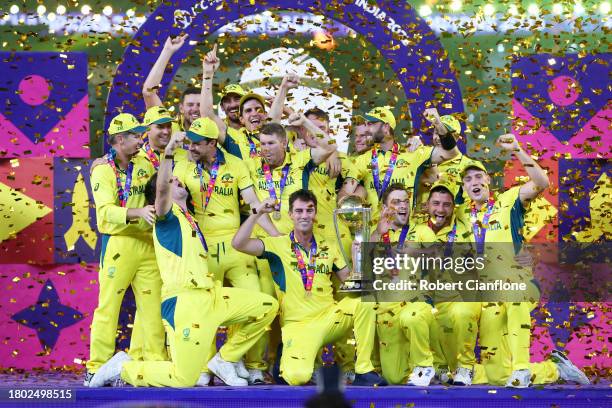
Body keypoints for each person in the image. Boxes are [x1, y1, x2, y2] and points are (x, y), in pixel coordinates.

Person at [88, 131, 279, 388]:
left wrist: (257, 213)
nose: (181, 182)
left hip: (210, 296)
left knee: (267, 306)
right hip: (185, 303)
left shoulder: (191, 217)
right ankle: (124, 368)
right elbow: (163, 186)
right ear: (160, 193)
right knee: (184, 379)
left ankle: (225, 359)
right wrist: (168, 154)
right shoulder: (165, 216)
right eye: (174, 181)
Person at [457, 134, 589, 387]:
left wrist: (517, 149)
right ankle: (555, 369)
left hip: (519, 282)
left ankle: (521, 368)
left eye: (478, 176)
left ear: (488, 181)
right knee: (497, 375)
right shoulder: (462, 214)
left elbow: (541, 182)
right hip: (488, 295)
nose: (473, 182)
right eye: (467, 179)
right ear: (463, 188)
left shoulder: (509, 199)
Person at [232, 189, 386, 386]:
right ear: (290, 215)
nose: (304, 215)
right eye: (299, 211)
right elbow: (238, 243)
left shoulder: (329, 245)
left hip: (329, 318)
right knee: (297, 377)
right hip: (298, 325)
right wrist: (258, 212)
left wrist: (360, 259)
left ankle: (363, 369)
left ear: (315, 213)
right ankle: (287, 354)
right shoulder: (276, 245)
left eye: (309, 210)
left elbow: (349, 281)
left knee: (364, 302)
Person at [173, 117, 280, 384]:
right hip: (202, 247)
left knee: (257, 301)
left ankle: (246, 362)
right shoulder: (183, 165)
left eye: (197, 143)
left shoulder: (235, 164)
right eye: (190, 142)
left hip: (235, 244)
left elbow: (254, 202)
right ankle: (203, 367)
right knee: (203, 308)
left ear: (211, 143)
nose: (192, 147)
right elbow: (171, 202)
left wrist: (276, 235)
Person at [85, 113, 166, 385]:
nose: (140, 139)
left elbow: (165, 177)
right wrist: (137, 211)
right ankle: (96, 366)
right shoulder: (102, 170)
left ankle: (153, 365)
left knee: (153, 307)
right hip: (118, 243)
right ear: (119, 140)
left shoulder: (145, 161)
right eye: (134, 136)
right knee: (109, 307)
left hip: (146, 243)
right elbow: (106, 211)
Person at [405, 182, 473, 386]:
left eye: (447, 205)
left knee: (494, 374)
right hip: (427, 302)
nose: (441, 210)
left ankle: (465, 367)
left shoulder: (464, 225)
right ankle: (436, 367)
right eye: (435, 203)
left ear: (454, 207)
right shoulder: (413, 229)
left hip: (455, 301)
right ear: (426, 206)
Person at [339, 107, 456, 221]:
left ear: (386, 127)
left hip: (405, 234)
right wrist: (348, 205)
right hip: (374, 234)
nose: (366, 129)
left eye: (371, 124)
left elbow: (450, 153)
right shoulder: (362, 160)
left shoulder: (413, 153)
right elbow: (345, 192)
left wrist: (438, 122)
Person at [142, 34, 200, 132]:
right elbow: (149, 92)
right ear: (181, 108)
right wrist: (167, 51)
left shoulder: (218, 132)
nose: (195, 109)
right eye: (190, 105)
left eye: (199, 105)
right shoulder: (170, 130)